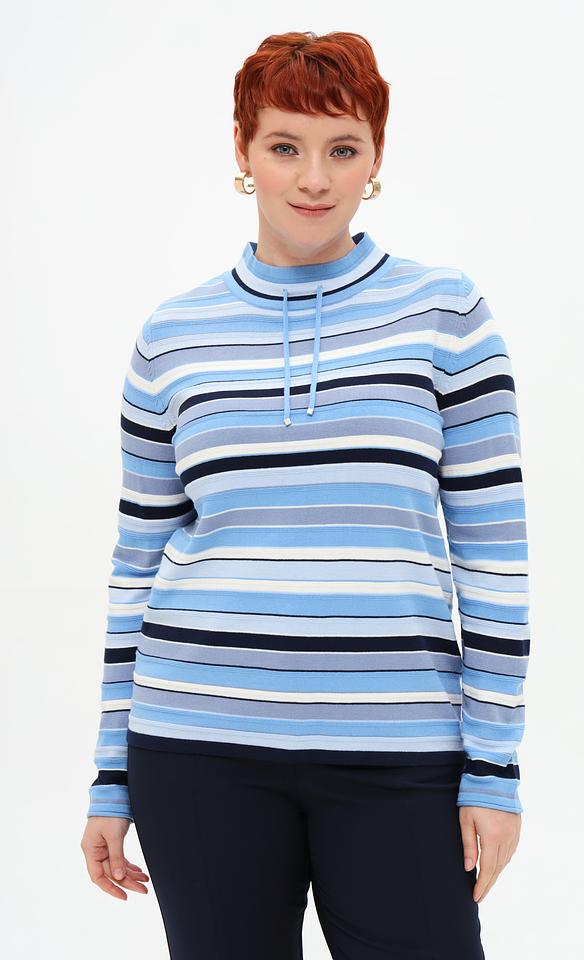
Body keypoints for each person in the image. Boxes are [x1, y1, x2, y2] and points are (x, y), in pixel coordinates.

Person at [80, 30, 530, 960]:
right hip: (196, 747)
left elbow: (494, 557)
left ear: (377, 157)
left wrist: (494, 767)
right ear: (243, 151)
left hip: (400, 752)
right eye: (285, 146)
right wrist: (110, 776)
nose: (314, 178)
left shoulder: (447, 316)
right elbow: (135, 566)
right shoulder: (173, 336)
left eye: (343, 148)